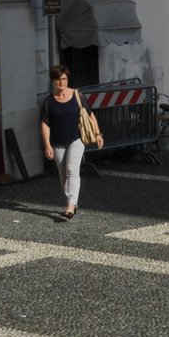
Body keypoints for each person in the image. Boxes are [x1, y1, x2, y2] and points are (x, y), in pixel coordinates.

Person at [40, 64, 101, 220]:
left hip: (76, 138)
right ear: (53, 81)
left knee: (72, 170)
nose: (62, 82)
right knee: (63, 174)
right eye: (58, 79)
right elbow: (45, 124)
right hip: (57, 141)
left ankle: (70, 205)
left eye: (64, 79)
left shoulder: (77, 95)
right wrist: (47, 144)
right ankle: (71, 202)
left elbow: (90, 115)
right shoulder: (48, 101)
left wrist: (98, 133)